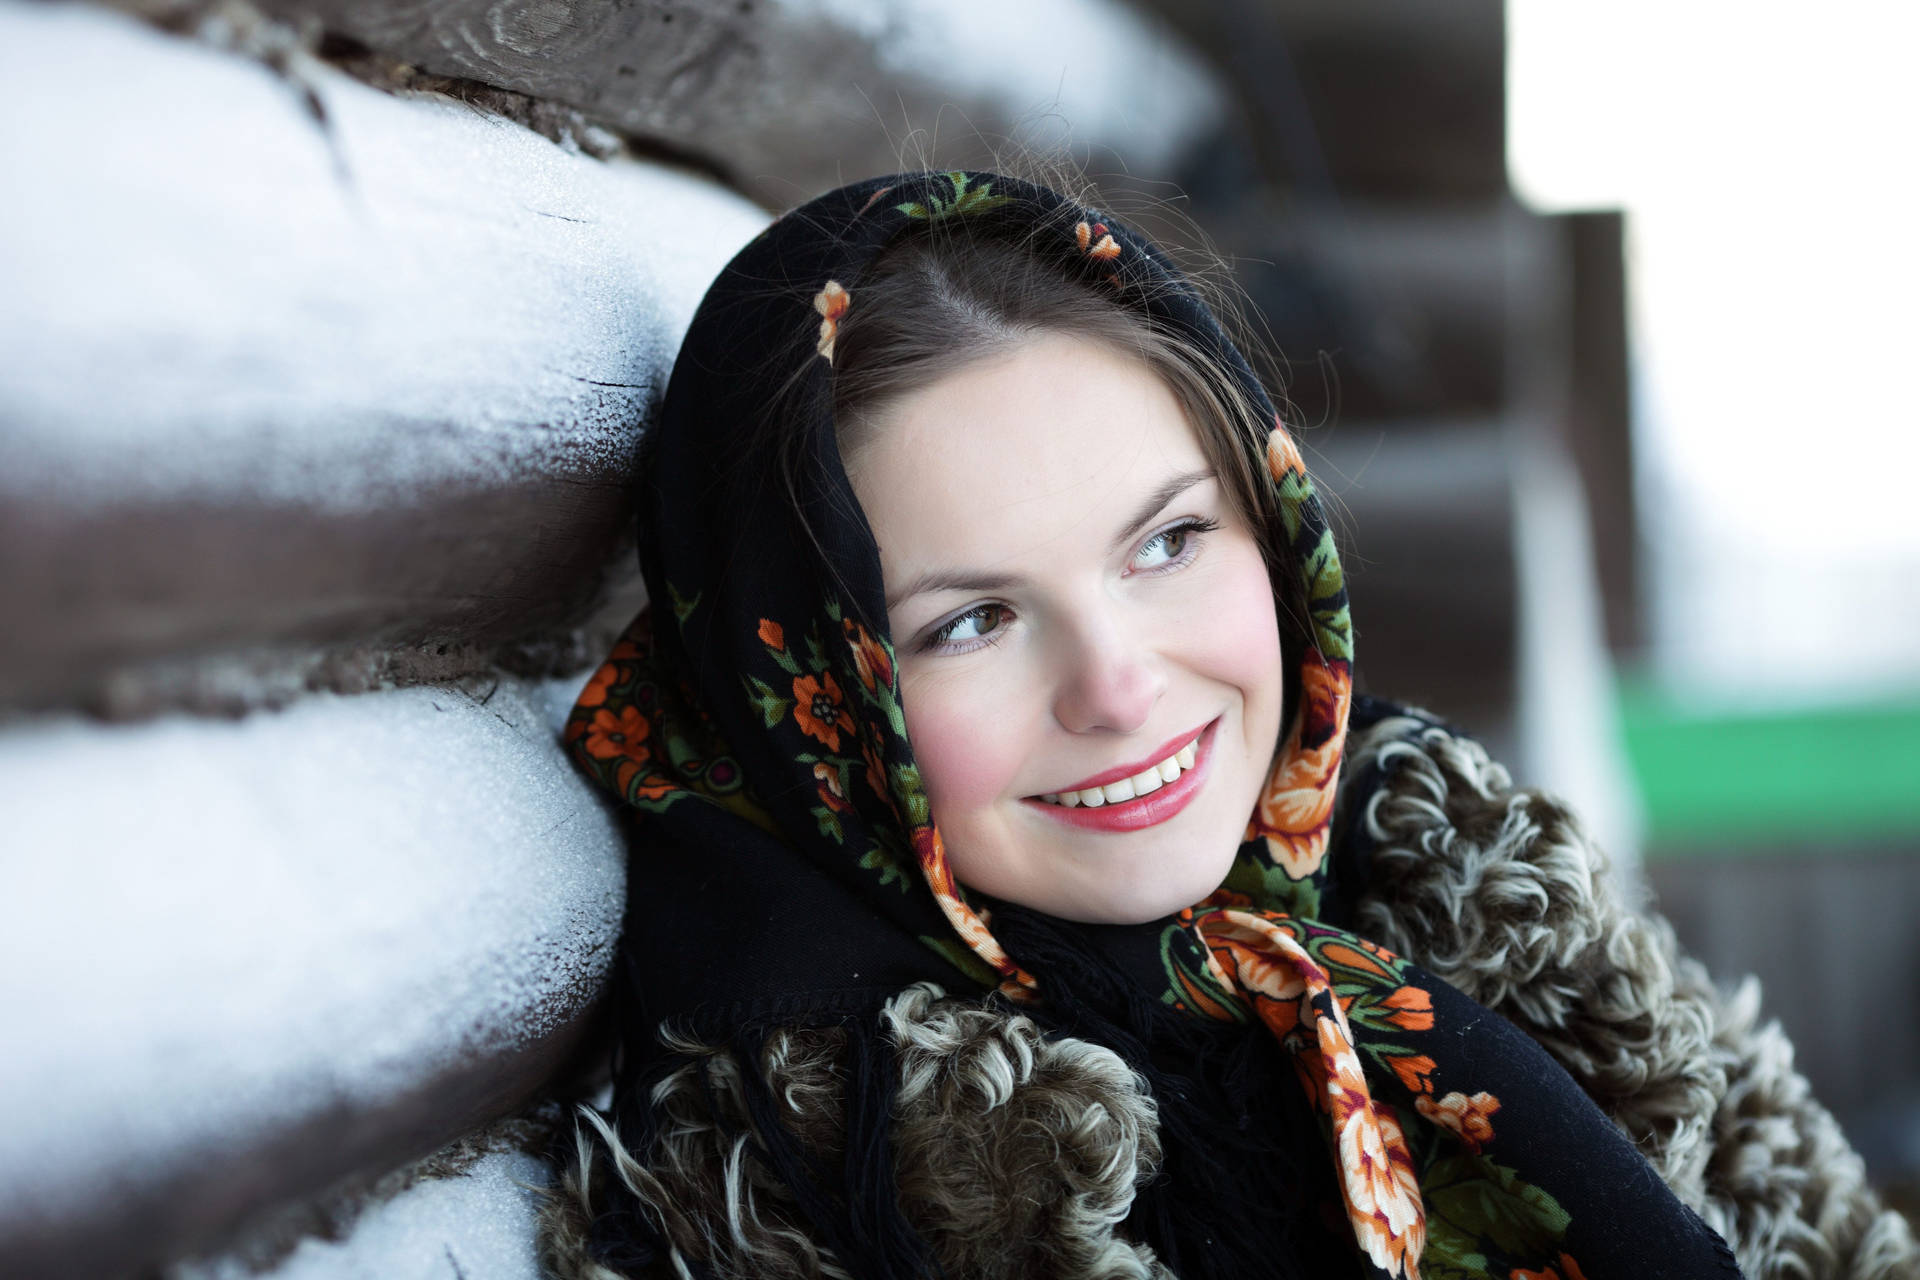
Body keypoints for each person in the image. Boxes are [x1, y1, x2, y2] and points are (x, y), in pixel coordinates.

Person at [540, 170, 1902, 1280]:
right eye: (971, 624)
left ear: (1275, 526)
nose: (1120, 686)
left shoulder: (1491, 915)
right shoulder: (817, 1181)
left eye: (1169, 542)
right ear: (814, 714)